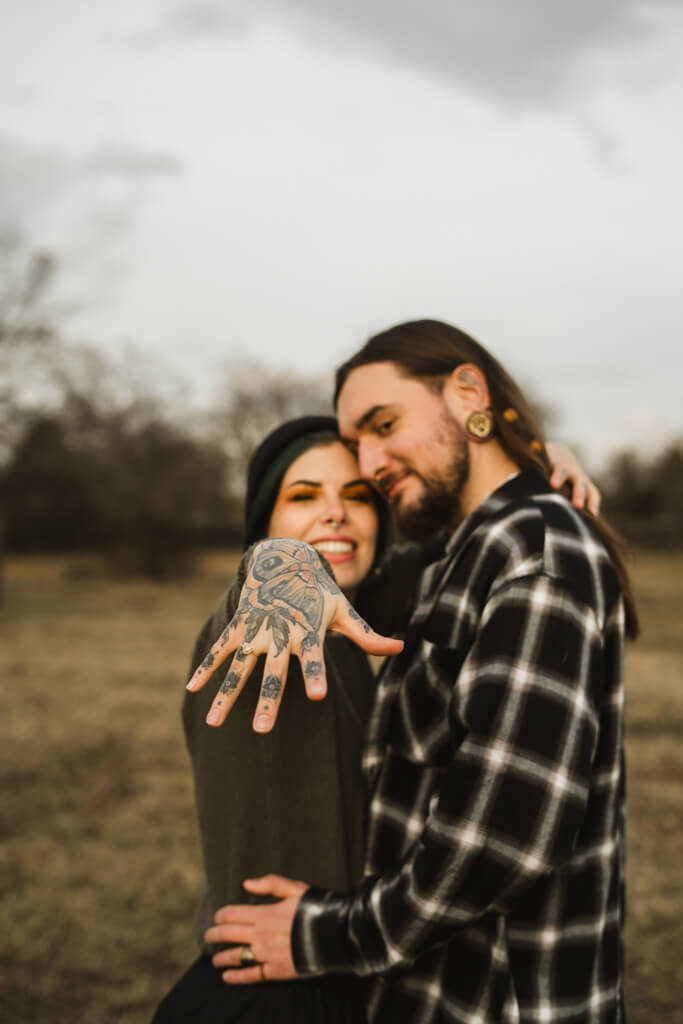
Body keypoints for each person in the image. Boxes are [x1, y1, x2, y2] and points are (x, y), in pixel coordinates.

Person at [187, 321, 637, 1024]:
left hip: (499, 1000)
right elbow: (305, 566)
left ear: (466, 393)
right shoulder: (443, 566)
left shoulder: (531, 549)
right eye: (354, 442)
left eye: (382, 424)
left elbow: (505, 838)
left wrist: (329, 935)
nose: (368, 463)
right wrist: (282, 564)